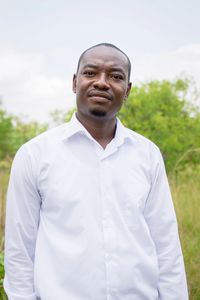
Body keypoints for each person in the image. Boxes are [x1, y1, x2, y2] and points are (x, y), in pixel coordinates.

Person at [4, 43, 188, 300]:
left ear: (127, 91)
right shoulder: (34, 155)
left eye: (116, 76)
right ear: (74, 82)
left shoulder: (148, 155)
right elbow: (19, 252)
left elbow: (166, 245)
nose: (102, 82)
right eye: (91, 73)